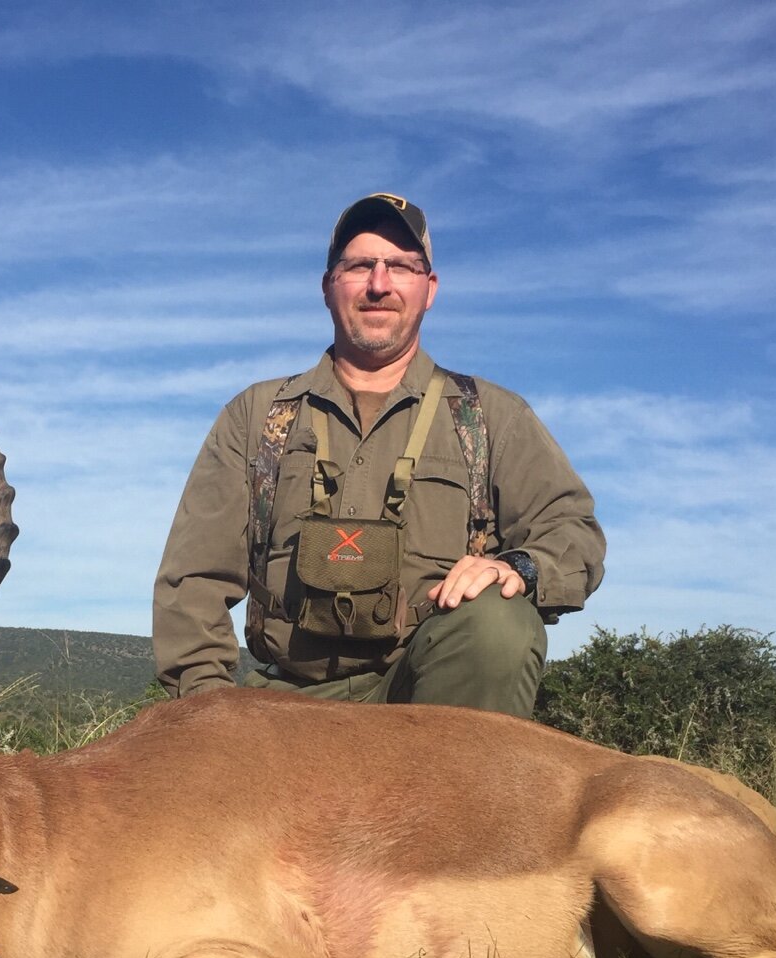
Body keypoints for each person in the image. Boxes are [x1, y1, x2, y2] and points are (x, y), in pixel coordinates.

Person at [153, 193, 604, 718]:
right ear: (328, 287)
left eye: (401, 266)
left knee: (498, 620)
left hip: (430, 696)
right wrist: (207, 708)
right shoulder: (257, 416)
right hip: (287, 704)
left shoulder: (490, 417)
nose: (379, 284)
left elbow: (573, 531)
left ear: (429, 289)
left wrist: (520, 568)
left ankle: (457, 795)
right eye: (360, 265)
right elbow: (193, 578)